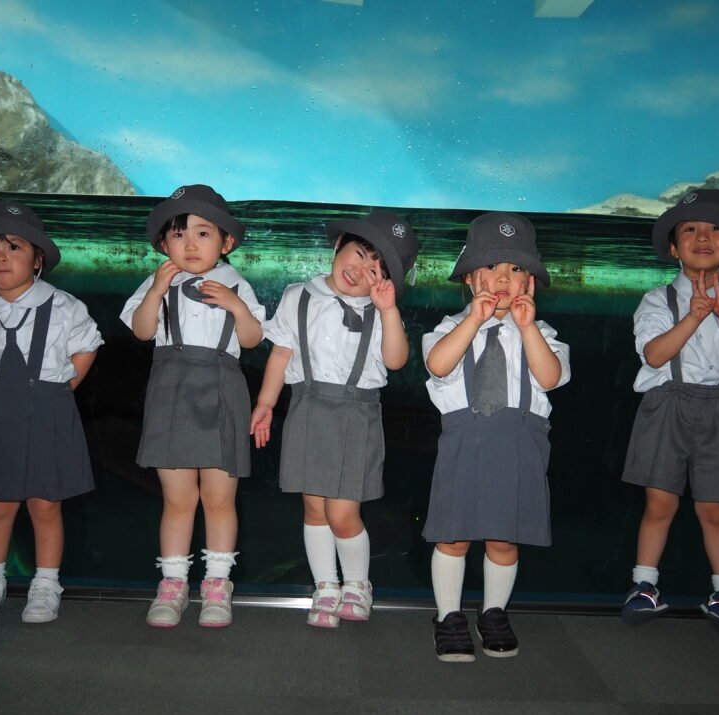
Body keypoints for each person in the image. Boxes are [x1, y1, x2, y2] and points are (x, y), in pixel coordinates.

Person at [250, 210, 419, 628]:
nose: (359, 270)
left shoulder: (381, 312)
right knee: (313, 508)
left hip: (355, 414)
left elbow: (396, 360)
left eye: (374, 269)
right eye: (358, 253)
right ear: (339, 243)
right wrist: (266, 403)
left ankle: (358, 584)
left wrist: (389, 310)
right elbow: (282, 353)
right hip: (307, 408)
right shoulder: (297, 295)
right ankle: (325, 585)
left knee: (343, 512)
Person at [620, 188, 719, 637]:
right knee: (658, 503)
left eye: (716, 229)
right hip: (665, 404)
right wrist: (692, 316)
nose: (703, 236)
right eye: (690, 228)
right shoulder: (656, 301)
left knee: (715, 509)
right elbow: (653, 355)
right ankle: (643, 585)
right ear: (673, 247)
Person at [422, 212, 570, 662]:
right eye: (492, 267)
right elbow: (439, 364)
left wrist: (526, 328)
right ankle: (448, 616)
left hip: (520, 446)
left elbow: (551, 375)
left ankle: (493, 612)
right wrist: (474, 320)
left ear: (531, 283)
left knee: (506, 537)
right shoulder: (450, 328)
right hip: (464, 442)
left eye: (517, 269)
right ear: (469, 278)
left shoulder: (543, 335)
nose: (504, 278)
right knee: (454, 535)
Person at [121, 184, 265, 629]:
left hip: (222, 390)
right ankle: (173, 584)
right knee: (177, 497)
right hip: (170, 390)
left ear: (227, 242)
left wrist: (238, 307)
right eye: (178, 234)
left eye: (203, 233)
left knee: (220, 497)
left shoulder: (238, 282)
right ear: (163, 245)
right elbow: (142, 332)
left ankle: (218, 585)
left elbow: (253, 339)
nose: (189, 243)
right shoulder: (155, 281)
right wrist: (156, 290)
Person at [0, 200, 103, 623]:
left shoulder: (65, 306)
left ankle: (45, 583)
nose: (0, 258)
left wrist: (61, 388)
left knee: (45, 503)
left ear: (37, 258)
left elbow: (87, 346)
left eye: (13, 247)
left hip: (49, 410)